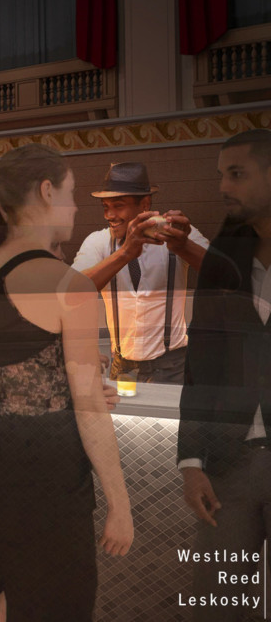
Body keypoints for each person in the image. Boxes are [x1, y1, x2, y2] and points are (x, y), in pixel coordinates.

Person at [0, 144, 131, 621]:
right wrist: (119, 503)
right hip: (53, 484)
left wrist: (74, 381)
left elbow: (0, 364)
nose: (76, 207)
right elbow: (88, 409)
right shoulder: (67, 285)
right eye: (73, 194)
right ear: (46, 190)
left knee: (1, 600)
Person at [178, 129, 271, 620]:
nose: (222, 186)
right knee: (219, 605)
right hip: (229, 465)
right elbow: (201, 365)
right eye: (221, 174)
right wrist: (191, 460)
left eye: (237, 173)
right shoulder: (222, 254)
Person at [71, 162, 209, 382]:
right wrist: (125, 253)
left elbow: (223, 274)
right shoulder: (98, 242)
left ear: (144, 204)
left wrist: (184, 246)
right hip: (124, 368)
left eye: (118, 205)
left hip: (173, 364)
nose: (109, 215)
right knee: (125, 418)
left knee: (175, 417)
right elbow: (72, 292)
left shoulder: (175, 235)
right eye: (105, 206)